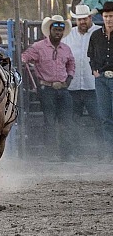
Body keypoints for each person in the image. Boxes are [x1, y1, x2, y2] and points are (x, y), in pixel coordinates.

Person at [21, 15, 76, 161]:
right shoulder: (38, 47)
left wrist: (69, 79)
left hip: (63, 88)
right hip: (47, 89)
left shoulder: (66, 49)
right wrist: (26, 60)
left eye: (60, 30)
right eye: (56, 29)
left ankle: (66, 154)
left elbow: (71, 64)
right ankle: (51, 153)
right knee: (50, 122)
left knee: (67, 123)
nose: (58, 32)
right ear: (49, 30)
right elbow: (25, 57)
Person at [61, 4, 101, 152]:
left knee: (99, 120)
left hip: (93, 86)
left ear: (90, 18)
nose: (82, 22)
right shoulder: (68, 35)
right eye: (79, 19)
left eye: (84, 18)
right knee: (72, 121)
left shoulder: (98, 32)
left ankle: (102, 152)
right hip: (73, 86)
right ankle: (73, 152)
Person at [87, 1, 113, 160]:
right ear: (102, 17)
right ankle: (109, 152)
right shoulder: (96, 35)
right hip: (102, 78)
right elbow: (91, 55)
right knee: (105, 117)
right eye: (106, 16)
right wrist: (94, 70)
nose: (109, 19)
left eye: (111, 16)